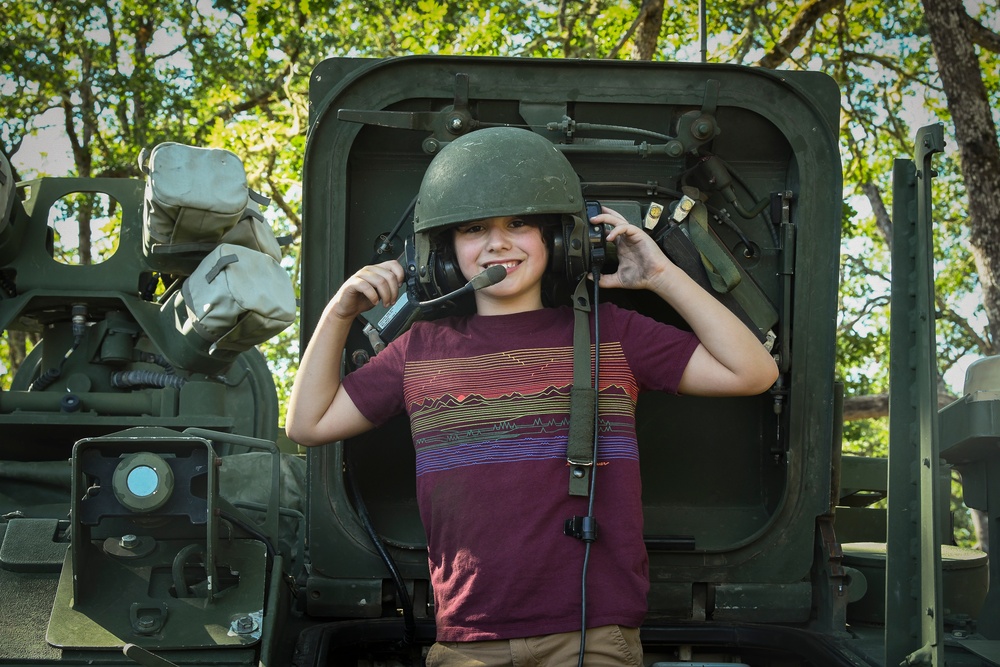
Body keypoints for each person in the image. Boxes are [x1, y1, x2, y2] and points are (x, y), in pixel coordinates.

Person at [286, 127, 779, 666]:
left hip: (591, 636)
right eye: (476, 229)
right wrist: (339, 311)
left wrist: (661, 276)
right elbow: (307, 424)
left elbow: (752, 372)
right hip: (468, 641)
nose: (498, 243)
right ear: (446, 254)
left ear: (557, 241)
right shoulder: (417, 349)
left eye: (518, 223)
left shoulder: (612, 333)